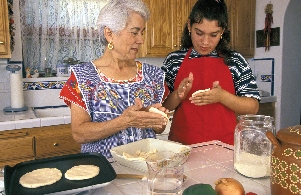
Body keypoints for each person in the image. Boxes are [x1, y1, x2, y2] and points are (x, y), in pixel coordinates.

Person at [59, 0, 168, 159]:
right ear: (109, 34)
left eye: (142, 32)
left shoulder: (152, 75)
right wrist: (124, 121)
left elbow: (158, 129)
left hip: (145, 170)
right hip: (103, 171)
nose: (141, 40)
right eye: (134, 32)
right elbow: (79, 134)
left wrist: (156, 119)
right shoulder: (83, 77)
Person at [161, 0, 260, 145]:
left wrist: (222, 96)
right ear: (189, 26)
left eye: (213, 35)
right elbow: (163, 106)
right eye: (199, 33)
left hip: (225, 147)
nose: (205, 42)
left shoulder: (235, 60)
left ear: (222, 32)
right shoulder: (174, 60)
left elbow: (253, 107)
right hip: (182, 147)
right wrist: (178, 94)